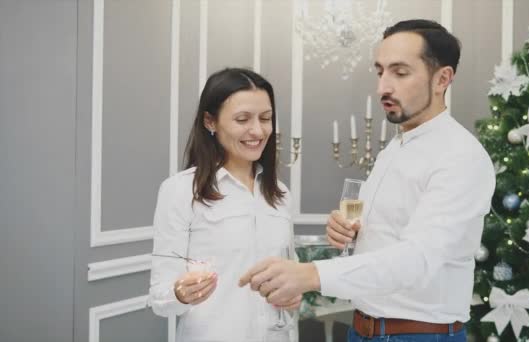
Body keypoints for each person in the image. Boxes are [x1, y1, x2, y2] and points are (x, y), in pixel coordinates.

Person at [239, 19, 496, 342]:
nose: (382, 88)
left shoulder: (461, 156)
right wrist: (350, 230)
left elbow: (417, 259)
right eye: (380, 71)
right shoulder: (394, 148)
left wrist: (311, 273)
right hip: (362, 330)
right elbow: (387, 233)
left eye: (400, 73)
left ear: (442, 78)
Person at [148, 68, 300, 342]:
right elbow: (160, 296)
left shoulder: (280, 194)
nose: (258, 131)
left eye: (266, 119)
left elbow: (289, 274)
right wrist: (181, 293)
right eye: (242, 119)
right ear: (210, 121)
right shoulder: (181, 191)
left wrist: (294, 293)